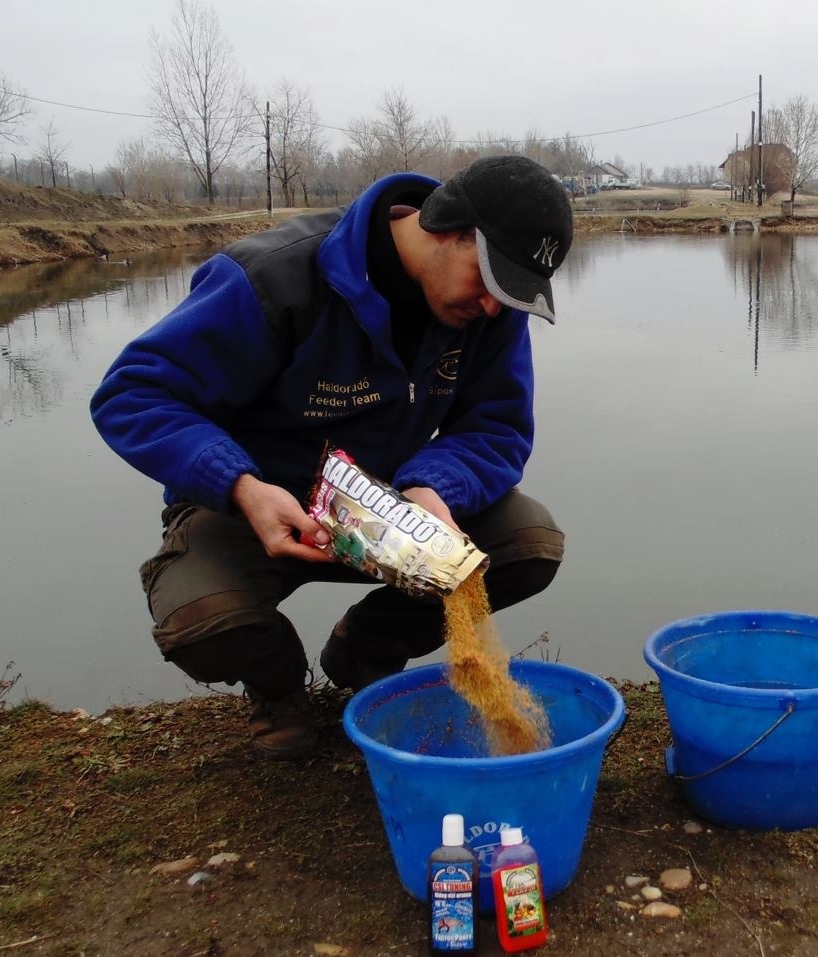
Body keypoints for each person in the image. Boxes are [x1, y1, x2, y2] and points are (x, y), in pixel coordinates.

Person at [90, 155, 573, 759]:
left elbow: (496, 428)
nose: (497, 309)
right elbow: (132, 393)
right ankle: (278, 685)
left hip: (385, 510)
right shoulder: (274, 277)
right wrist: (238, 483)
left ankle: (364, 648)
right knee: (201, 621)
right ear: (451, 229)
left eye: (514, 292)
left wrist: (432, 488)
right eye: (492, 280)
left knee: (527, 544)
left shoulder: (484, 310)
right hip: (255, 506)